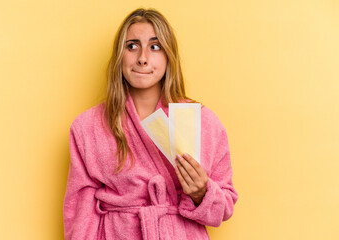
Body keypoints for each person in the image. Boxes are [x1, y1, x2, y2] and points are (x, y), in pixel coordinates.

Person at [63, 8, 238, 240]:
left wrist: (201, 193)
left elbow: (225, 204)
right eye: (132, 46)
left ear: (168, 57)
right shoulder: (87, 127)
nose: (142, 58)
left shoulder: (204, 123)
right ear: (119, 56)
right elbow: (80, 213)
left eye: (155, 47)